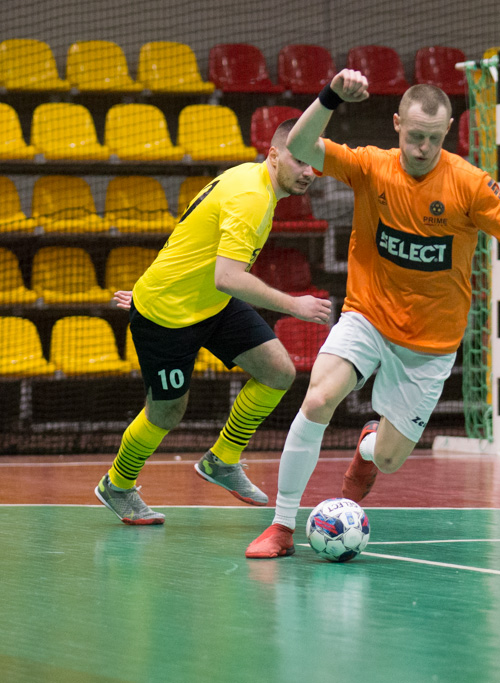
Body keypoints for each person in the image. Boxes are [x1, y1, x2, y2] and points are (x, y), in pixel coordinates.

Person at [246, 70, 500, 558]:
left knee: (388, 458)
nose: (423, 148)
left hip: (430, 342)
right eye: (414, 136)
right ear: (396, 125)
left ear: (446, 132)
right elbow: (300, 144)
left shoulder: (469, 184)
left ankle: (368, 446)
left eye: (433, 138)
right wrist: (330, 96)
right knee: (318, 399)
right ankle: (281, 526)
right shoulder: (371, 167)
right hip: (367, 315)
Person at [94, 120, 332, 524]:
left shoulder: (253, 179)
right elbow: (229, 277)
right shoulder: (251, 198)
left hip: (210, 302)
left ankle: (222, 459)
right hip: (167, 316)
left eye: (314, 162)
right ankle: (117, 484)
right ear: (274, 155)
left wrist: (158, 280)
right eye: (300, 161)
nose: (309, 171)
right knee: (167, 413)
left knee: (278, 371)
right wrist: (294, 305)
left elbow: (192, 234)